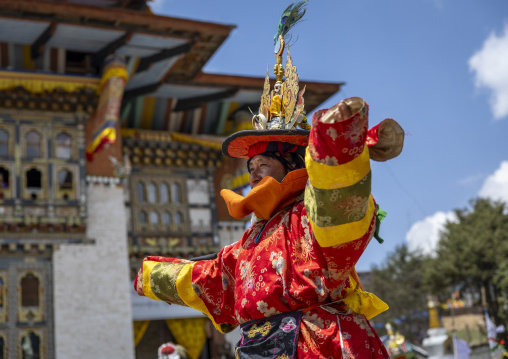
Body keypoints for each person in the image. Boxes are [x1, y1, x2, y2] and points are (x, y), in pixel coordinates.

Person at [135, 2, 405, 358]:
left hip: (313, 343)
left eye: (263, 164)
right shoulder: (246, 243)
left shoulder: (310, 220)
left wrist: (336, 145)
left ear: (292, 163)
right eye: (250, 169)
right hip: (255, 346)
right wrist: (150, 278)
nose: (253, 175)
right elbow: (212, 279)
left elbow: (336, 201)